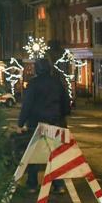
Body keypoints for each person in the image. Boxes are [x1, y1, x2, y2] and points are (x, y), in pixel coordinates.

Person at [18, 60, 66, 193]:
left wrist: (20, 123)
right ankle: (59, 184)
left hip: (36, 123)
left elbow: (27, 105)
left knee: (34, 154)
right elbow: (66, 102)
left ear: (37, 70)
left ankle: (32, 184)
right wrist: (60, 115)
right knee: (54, 154)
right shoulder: (57, 83)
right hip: (54, 123)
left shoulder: (33, 84)